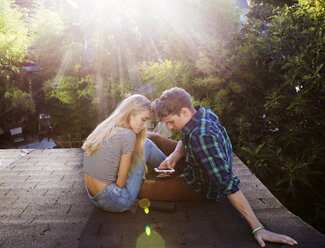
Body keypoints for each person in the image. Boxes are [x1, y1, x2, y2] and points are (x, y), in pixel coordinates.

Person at [139, 87, 298, 247]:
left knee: (142, 189)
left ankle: (120, 182)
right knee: (152, 137)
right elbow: (185, 138)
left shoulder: (203, 137)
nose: (170, 128)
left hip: (201, 186)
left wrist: (258, 227)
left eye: (171, 122)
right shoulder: (201, 114)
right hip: (194, 161)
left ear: (185, 112)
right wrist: (175, 155)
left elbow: (227, 183)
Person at [82, 94, 166, 213]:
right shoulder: (128, 135)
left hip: (94, 198)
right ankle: (169, 170)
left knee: (142, 147)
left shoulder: (105, 127)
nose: (146, 125)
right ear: (130, 114)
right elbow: (121, 183)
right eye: (143, 119)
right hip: (117, 201)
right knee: (146, 144)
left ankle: (162, 171)